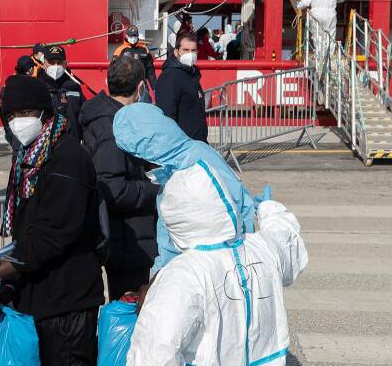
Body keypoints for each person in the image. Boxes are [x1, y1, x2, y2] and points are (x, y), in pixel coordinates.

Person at [122, 162, 308, 366]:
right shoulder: (260, 248)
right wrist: (271, 209)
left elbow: (158, 349)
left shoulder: (184, 274)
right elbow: (285, 240)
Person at [0, 74, 104, 366]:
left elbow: (53, 232)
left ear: (46, 112)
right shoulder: (29, 156)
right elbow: (25, 230)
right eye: (13, 115)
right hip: (38, 300)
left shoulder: (66, 157)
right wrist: (10, 280)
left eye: (27, 113)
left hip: (70, 302)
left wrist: (4, 266)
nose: (20, 121)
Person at [114, 102, 258, 276]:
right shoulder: (179, 162)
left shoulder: (188, 169)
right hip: (211, 269)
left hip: (211, 273)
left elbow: (174, 245)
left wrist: (158, 279)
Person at [79, 57, 159, 298]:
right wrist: (156, 188)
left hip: (122, 234)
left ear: (107, 82)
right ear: (141, 88)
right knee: (129, 308)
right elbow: (113, 188)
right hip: (127, 238)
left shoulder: (102, 117)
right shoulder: (115, 128)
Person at [155, 31, 207, 142]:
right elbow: (167, 116)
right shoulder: (169, 77)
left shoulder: (193, 74)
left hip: (198, 143)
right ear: (176, 52)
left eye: (193, 50)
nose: (190, 54)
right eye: (186, 50)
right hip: (183, 146)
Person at [36, 44, 84, 141]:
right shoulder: (36, 89)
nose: (56, 66)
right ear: (44, 63)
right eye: (51, 62)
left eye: (59, 62)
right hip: (45, 148)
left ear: (65, 63)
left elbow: (84, 115)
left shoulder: (74, 87)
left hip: (73, 145)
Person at [297, 0, 346, 65]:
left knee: (317, 35)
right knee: (330, 35)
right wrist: (335, 0)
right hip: (330, 13)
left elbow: (305, 2)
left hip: (316, 13)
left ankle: (319, 56)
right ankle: (329, 57)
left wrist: (298, 5)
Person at [111, 25, 156, 99]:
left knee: (145, 107)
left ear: (138, 35)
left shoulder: (144, 50)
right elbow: (114, 71)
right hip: (126, 88)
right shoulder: (119, 51)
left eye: (135, 35)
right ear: (126, 36)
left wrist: (155, 87)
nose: (133, 38)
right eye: (131, 36)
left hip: (142, 87)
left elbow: (150, 70)